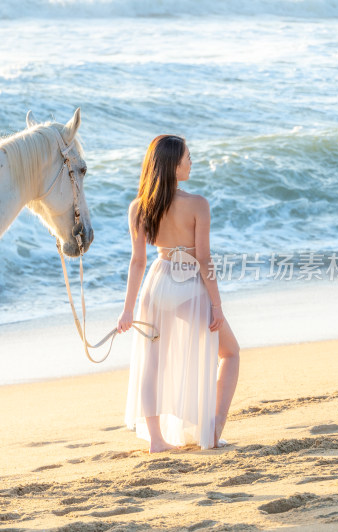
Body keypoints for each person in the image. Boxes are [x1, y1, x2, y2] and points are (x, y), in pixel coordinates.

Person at [116, 135, 240, 453]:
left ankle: (157, 440)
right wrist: (217, 305)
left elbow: (138, 262)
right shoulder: (197, 204)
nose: (191, 161)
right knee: (230, 353)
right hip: (188, 287)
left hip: (157, 284)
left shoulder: (138, 207)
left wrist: (127, 310)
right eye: (187, 156)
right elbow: (204, 259)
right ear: (173, 164)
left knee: (152, 364)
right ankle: (211, 433)